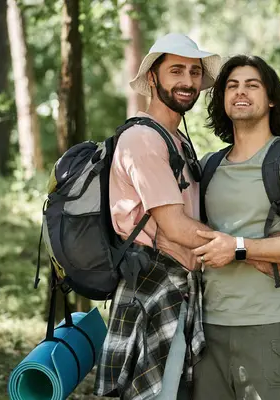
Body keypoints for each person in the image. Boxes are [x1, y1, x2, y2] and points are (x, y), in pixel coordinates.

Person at [93, 33, 221, 400]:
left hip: (175, 286)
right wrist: (251, 252)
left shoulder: (177, 139)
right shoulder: (143, 139)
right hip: (153, 287)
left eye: (195, 72)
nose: (188, 81)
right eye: (176, 70)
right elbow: (177, 227)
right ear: (153, 78)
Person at [192, 55, 280, 400]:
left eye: (252, 85)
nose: (241, 92)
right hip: (209, 329)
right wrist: (248, 254)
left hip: (271, 326)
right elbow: (196, 237)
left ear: (270, 99)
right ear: (222, 99)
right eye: (232, 85)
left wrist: (239, 248)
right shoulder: (208, 165)